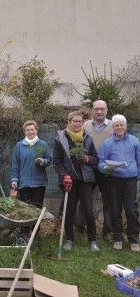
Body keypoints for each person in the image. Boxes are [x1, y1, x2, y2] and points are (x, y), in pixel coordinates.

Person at [53, 111, 100, 252]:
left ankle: (93, 240)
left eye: (80, 121)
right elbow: (57, 162)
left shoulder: (88, 138)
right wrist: (64, 176)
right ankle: (69, 239)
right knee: (70, 210)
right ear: (69, 122)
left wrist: (87, 159)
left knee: (88, 210)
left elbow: (95, 160)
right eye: (75, 121)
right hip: (70, 181)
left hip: (86, 180)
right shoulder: (60, 139)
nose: (77, 123)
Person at [97, 114, 140, 252]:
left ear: (126, 126)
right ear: (113, 127)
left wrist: (137, 175)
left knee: (131, 209)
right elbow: (101, 161)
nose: (120, 127)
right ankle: (118, 238)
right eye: (117, 125)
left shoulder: (134, 141)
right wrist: (104, 168)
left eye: (122, 124)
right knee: (115, 209)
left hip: (130, 180)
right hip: (113, 180)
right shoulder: (107, 143)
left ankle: (133, 238)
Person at [10, 120, 52, 243]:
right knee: (25, 209)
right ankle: (24, 233)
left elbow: (49, 159)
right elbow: (15, 164)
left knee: (37, 208)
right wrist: (14, 179)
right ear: (25, 131)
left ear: (36, 130)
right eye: (28, 130)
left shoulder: (42, 145)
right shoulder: (19, 145)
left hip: (39, 183)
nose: (30, 131)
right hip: (24, 183)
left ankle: (35, 233)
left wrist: (43, 162)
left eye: (32, 129)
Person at [83, 99, 114, 241]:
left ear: (107, 110)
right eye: (97, 109)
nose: (99, 111)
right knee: (84, 198)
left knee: (108, 201)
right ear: (92, 111)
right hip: (89, 167)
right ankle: (79, 227)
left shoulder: (114, 126)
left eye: (102, 109)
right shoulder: (85, 126)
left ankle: (108, 231)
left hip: (107, 169)